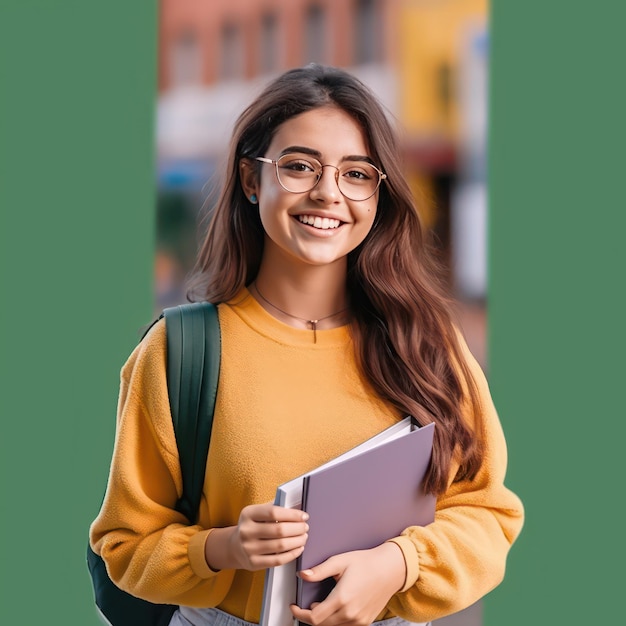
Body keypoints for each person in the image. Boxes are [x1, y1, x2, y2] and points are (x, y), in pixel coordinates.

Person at [90, 64, 524, 626]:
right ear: (251, 179)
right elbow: (125, 546)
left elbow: (487, 514)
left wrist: (399, 563)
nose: (328, 193)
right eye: (298, 166)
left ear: (379, 192)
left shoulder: (429, 345)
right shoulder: (182, 352)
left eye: (357, 173)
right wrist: (221, 548)